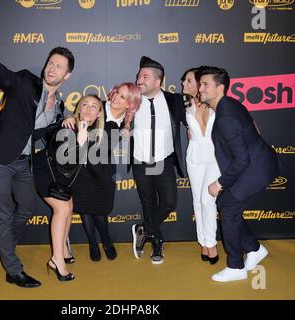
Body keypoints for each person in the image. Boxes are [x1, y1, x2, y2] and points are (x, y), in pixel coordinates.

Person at [0, 19, 74, 287]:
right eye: (51, 62)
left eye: (59, 66)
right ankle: (13, 270)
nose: (52, 68)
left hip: (23, 163)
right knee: (3, 215)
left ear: (67, 75)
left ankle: (4, 246)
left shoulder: (59, 105)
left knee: (26, 208)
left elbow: (47, 133)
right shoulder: (25, 81)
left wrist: (67, 121)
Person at [199, 66, 279, 282]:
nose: (201, 88)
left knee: (228, 210)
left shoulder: (226, 116)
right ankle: (254, 250)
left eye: (205, 84)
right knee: (226, 205)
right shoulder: (229, 105)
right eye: (200, 84)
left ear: (220, 88)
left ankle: (236, 266)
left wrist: (220, 183)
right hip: (254, 164)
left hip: (256, 169)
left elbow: (241, 159)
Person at [63, 83, 141, 262]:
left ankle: (106, 241)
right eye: (116, 93)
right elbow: (83, 111)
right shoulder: (98, 106)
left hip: (102, 170)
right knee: (85, 210)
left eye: (123, 97)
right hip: (83, 169)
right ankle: (92, 242)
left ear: (130, 104)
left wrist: (126, 127)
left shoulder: (128, 120)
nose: (115, 98)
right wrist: (69, 118)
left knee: (100, 210)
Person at [33, 94, 105, 280]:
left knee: (69, 207)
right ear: (79, 109)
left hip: (61, 177)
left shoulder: (89, 131)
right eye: (85, 105)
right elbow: (66, 164)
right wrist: (80, 140)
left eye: (94, 106)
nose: (88, 109)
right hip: (46, 172)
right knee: (62, 209)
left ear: (99, 113)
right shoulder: (69, 126)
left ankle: (63, 250)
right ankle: (57, 260)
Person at [131, 56, 188, 264]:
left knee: (169, 202)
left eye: (145, 76)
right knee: (148, 203)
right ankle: (157, 240)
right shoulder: (131, 99)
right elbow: (104, 110)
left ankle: (144, 229)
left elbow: (198, 114)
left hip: (163, 161)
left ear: (158, 81)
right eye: (138, 75)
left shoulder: (175, 100)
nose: (139, 79)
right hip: (140, 161)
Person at [181, 67, 221, 264]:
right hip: (194, 157)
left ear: (199, 84)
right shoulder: (187, 106)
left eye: (188, 81)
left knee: (207, 200)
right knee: (197, 201)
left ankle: (212, 244)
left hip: (215, 157)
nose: (183, 84)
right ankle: (203, 242)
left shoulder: (216, 104)